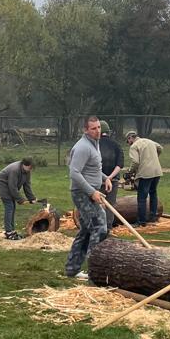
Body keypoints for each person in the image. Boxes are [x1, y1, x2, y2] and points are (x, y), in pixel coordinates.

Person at [65, 115, 111, 278]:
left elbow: (93, 168)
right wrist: (92, 192)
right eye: (93, 128)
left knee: (86, 230)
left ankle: (72, 268)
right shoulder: (83, 147)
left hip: (90, 191)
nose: (97, 131)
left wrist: (105, 178)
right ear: (86, 130)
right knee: (99, 226)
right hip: (82, 193)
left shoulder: (94, 144)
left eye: (99, 127)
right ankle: (94, 271)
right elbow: (74, 172)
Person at [125, 130, 163, 227]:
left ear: (130, 138)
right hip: (157, 171)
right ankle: (153, 217)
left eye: (128, 141)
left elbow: (135, 162)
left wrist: (130, 172)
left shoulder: (134, 146)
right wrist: (154, 158)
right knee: (153, 193)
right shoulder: (149, 141)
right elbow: (160, 148)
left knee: (142, 197)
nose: (128, 143)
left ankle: (141, 221)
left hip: (145, 173)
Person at [0, 157, 37, 240]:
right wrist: (20, 199)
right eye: (30, 167)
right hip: (3, 186)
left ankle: (12, 230)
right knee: (9, 207)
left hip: (11, 187)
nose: (31, 169)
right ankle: (8, 232)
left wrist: (31, 198)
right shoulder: (15, 170)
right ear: (25, 165)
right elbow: (12, 187)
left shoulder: (27, 171)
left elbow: (27, 185)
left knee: (12, 208)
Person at [97, 121, 125, 232]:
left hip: (97, 180)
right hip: (113, 181)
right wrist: (110, 177)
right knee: (110, 206)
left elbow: (92, 165)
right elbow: (120, 165)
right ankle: (108, 228)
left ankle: (98, 227)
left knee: (97, 204)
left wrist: (104, 178)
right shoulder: (116, 145)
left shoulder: (95, 145)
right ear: (108, 132)